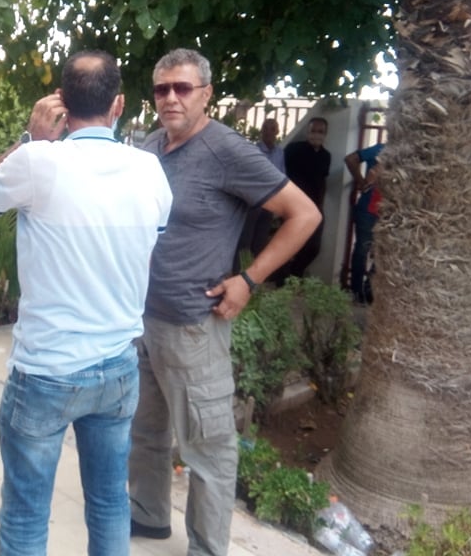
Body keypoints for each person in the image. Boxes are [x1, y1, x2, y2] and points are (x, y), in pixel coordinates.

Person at [0, 50, 173, 556]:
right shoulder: (150, 170)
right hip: (118, 367)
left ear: (60, 103)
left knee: (26, 515)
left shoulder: (37, 161)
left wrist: (28, 140)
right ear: (119, 105)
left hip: (47, 372)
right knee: (110, 501)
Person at [128, 48, 320, 556]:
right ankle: (148, 514)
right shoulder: (150, 147)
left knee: (207, 448)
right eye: (162, 89)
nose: (171, 97)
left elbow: (304, 214)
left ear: (206, 94)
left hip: (194, 326)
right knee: (145, 431)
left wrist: (249, 279)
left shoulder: (227, 151)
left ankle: (207, 548)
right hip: (142, 320)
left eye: (182, 88)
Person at [283, 116, 332, 278]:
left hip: (315, 206)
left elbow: (323, 180)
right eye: (313, 131)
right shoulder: (293, 150)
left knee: (313, 247)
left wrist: (321, 206)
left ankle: (295, 274)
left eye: (320, 131)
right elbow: (282, 175)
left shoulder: (326, 156)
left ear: (325, 134)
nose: (316, 134)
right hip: (294, 205)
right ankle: (285, 279)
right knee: (290, 244)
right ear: (307, 132)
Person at [237, 117, 286, 260]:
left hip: (271, 201)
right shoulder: (253, 150)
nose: (269, 132)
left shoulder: (279, 153)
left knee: (261, 240)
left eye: (272, 129)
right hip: (253, 200)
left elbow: (282, 175)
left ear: (277, 132)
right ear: (261, 131)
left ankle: (255, 270)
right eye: (266, 128)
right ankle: (241, 268)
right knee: (246, 239)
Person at [345, 142, 385, 304]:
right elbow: (350, 159)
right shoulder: (380, 149)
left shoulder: (404, 154)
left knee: (381, 252)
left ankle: (367, 290)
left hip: (387, 211)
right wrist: (361, 182)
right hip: (369, 209)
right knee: (363, 249)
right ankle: (357, 290)